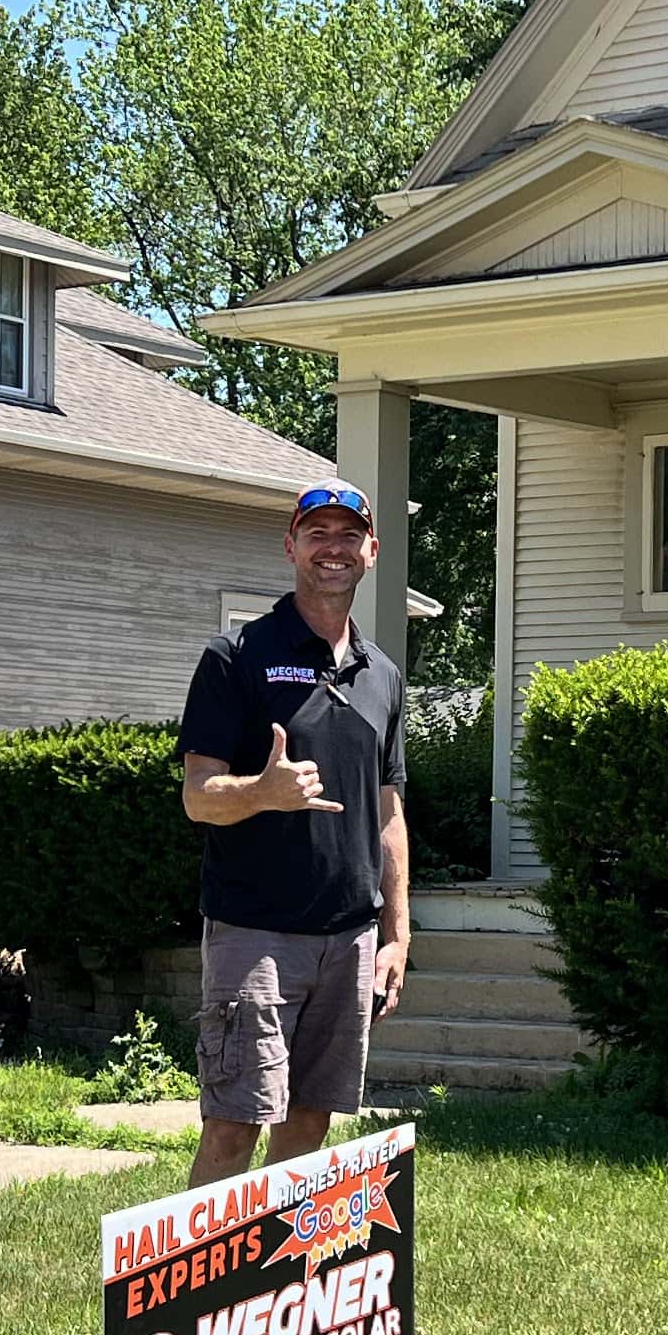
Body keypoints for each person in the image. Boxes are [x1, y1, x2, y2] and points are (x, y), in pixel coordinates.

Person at [176, 480, 410, 1181]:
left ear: (371, 550)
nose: (332, 548)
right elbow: (198, 797)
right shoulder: (237, 655)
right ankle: (205, 1288)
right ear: (291, 547)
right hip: (257, 934)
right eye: (317, 534)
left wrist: (397, 935)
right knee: (234, 1124)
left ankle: (276, 1278)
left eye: (347, 535)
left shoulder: (382, 676)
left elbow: (390, 814)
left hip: (349, 939)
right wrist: (263, 792)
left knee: (311, 1120)